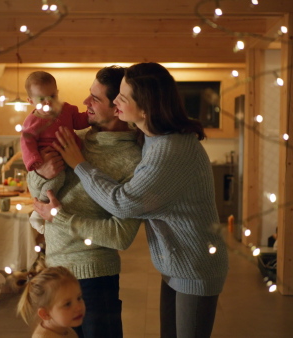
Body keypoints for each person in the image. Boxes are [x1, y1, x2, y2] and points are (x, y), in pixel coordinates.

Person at [43, 62, 229, 338]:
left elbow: (124, 203)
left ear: (145, 108)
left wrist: (79, 165)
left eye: (123, 96)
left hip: (195, 265)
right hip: (176, 261)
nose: (117, 100)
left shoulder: (170, 150)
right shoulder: (154, 138)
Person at [28, 65, 142, 338]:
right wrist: (42, 173)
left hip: (95, 279)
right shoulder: (73, 137)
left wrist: (61, 218)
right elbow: (34, 191)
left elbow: (122, 235)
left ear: (117, 107)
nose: (84, 102)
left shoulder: (133, 161)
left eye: (96, 98)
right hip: (55, 270)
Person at [21, 71, 91, 233]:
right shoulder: (32, 122)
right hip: (49, 157)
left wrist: (90, 117)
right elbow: (27, 143)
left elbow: (78, 121)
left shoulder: (66, 110)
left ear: (57, 93)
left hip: (70, 156)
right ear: (30, 101)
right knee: (56, 181)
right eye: (41, 99)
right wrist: (34, 161)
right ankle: (40, 211)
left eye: (52, 96)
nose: (48, 102)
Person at [14, 257, 86, 338]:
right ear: (45, 314)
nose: (78, 307)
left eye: (79, 298)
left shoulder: (65, 329)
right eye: (67, 304)